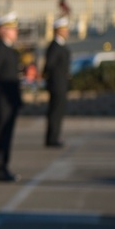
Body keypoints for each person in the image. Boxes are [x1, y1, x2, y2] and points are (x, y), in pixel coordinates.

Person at [0, 12, 22, 181]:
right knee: (0, 135)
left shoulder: (9, 49)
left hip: (9, 101)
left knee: (6, 136)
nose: (15, 32)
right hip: (2, 102)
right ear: (2, 30)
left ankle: (3, 166)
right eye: (12, 28)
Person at [43, 16, 72, 147]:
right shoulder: (55, 46)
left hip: (61, 84)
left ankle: (55, 136)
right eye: (64, 29)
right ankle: (52, 138)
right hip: (57, 85)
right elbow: (49, 65)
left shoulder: (61, 46)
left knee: (58, 112)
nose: (67, 32)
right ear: (58, 30)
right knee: (55, 112)